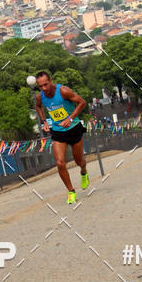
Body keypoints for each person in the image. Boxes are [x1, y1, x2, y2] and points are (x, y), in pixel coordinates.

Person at [35, 71, 88, 204]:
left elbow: (82, 103)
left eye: (46, 84)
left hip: (73, 129)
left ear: (51, 81)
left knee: (78, 161)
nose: (44, 88)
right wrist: (44, 121)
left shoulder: (63, 91)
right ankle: (71, 191)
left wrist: (70, 118)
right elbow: (38, 107)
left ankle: (83, 171)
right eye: (40, 86)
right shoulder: (40, 97)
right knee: (59, 163)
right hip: (58, 132)